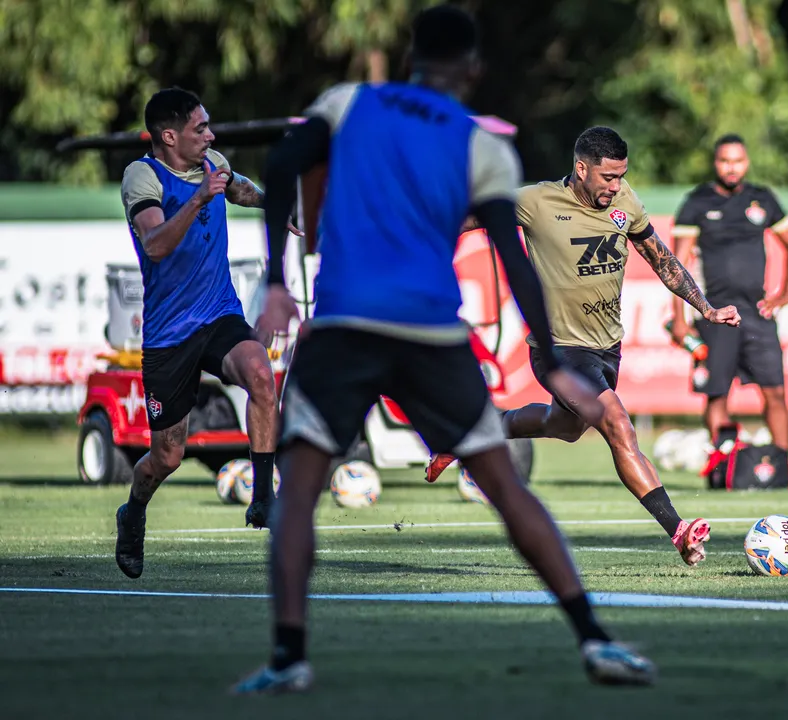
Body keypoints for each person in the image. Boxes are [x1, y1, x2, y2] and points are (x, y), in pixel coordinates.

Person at [232, 5, 655, 694]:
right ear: (474, 69)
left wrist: (279, 281)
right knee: (506, 490)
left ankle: (287, 657)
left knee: (301, 492)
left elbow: (281, 165)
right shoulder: (482, 146)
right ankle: (595, 640)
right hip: (433, 332)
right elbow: (514, 264)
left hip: (343, 326)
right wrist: (555, 365)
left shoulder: (346, 103)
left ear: (408, 59)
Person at [426, 126, 741, 567]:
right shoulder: (536, 202)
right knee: (616, 421)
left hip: (606, 348)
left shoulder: (624, 201)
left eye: (621, 176)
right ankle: (679, 529)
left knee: (566, 426)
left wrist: (705, 308)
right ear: (581, 169)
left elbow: (660, 257)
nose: (615, 186)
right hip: (558, 350)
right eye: (608, 177)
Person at [115, 88, 301, 579]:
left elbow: (237, 188)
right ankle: (132, 513)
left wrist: (278, 207)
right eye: (201, 128)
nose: (211, 135)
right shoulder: (142, 176)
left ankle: (264, 499)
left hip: (218, 315)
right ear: (169, 135)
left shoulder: (212, 162)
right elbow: (154, 244)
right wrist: (199, 195)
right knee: (167, 456)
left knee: (262, 374)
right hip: (168, 335)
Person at [669, 135, 788, 466]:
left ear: (747, 163)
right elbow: (676, 266)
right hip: (714, 314)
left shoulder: (762, 199)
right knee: (717, 394)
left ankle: (782, 469)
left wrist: (784, 294)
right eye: (724, 161)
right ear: (715, 163)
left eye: (738, 161)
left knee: (775, 392)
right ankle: (721, 467)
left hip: (757, 313)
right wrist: (682, 319)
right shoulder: (696, 202)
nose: (732, 167)